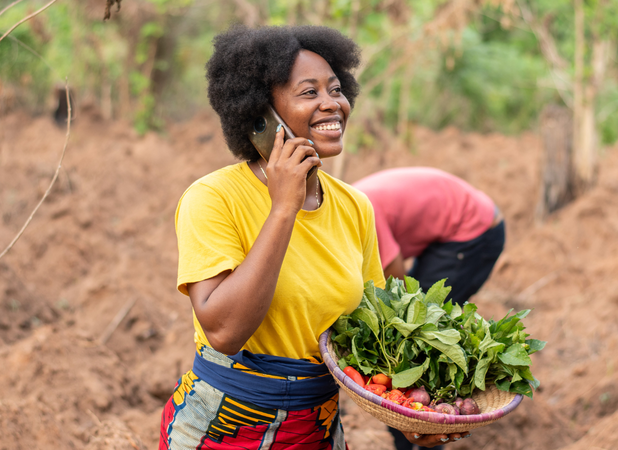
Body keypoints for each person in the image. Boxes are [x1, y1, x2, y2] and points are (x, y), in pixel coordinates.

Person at [157, 26, 469, 450]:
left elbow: (371, 335)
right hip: (224, 429)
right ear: (260, 114)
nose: (332, 104)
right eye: (309, 92)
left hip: (317, 430)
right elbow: (224, 331)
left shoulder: (355, 206)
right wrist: (283, 207)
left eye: (336, 89)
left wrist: (411, 411)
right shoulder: (212, 199)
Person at [353, 167, 503, 450]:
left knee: (418, 331)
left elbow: (395, 284)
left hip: (475, 230)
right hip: (451, 229)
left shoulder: (358, 212)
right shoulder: (346, 205)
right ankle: (412, 429)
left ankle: (425, 431)